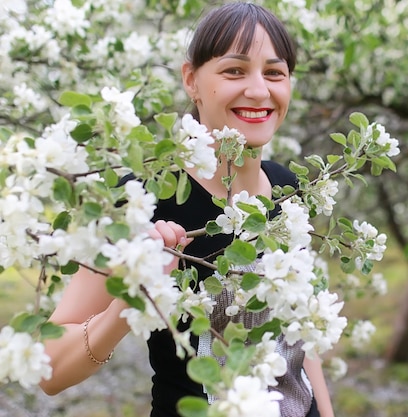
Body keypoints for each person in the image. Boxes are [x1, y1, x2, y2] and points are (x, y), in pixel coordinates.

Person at [39, 3, 335, 417]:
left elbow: (298, 339)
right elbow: (50, 369)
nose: (258, 90)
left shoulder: (289, 190)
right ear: (191, 80)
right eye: (234, 70)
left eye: (274, 72)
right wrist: (130, 303)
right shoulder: (145, 200)